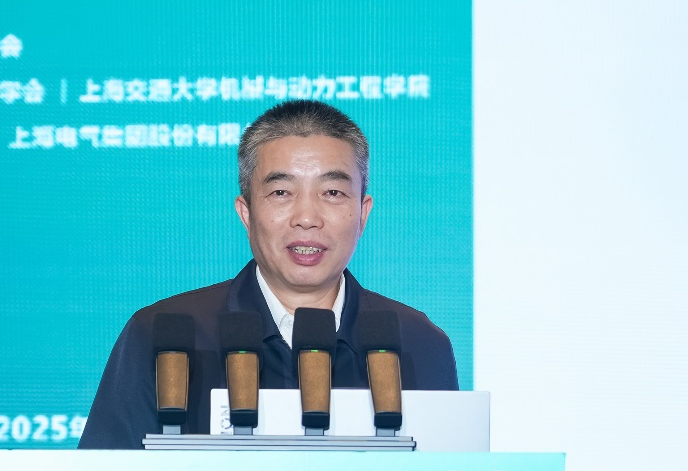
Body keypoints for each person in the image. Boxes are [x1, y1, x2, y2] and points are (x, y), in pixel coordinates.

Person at [78, 100, 458, 449]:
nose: (306, 218)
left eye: (332, 192)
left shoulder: (419, 343)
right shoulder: (164, 336)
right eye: (281, 193)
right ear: (246, 213)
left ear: (363, 213)